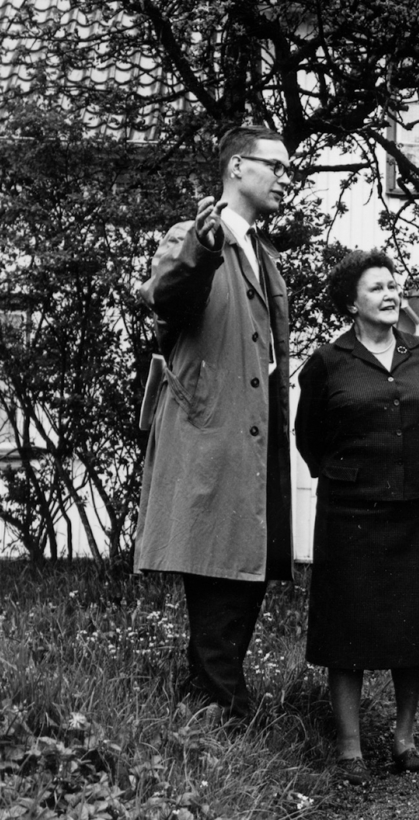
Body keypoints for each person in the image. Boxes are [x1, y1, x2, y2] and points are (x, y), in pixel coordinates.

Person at [134, 124, 294, 724]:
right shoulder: (193, 236)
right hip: (213, 429)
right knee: (218, 561)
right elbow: (168, 296)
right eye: (274, 166)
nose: (284, 179)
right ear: (236, 168)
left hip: (251, 432)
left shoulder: (262, 253)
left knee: (244, 564)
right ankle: (220, 702)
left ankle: (215, 695)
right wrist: (202, 247)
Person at [295, 249, 419, 784]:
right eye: (376, 288)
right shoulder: (327, 361)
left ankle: (405, 741)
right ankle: (350, 749)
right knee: (348, 628)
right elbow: (308, 437)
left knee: (414, 626)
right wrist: (350, 475)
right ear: (351, 303)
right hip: (351, 514)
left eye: (392, 285)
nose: (390, 295)